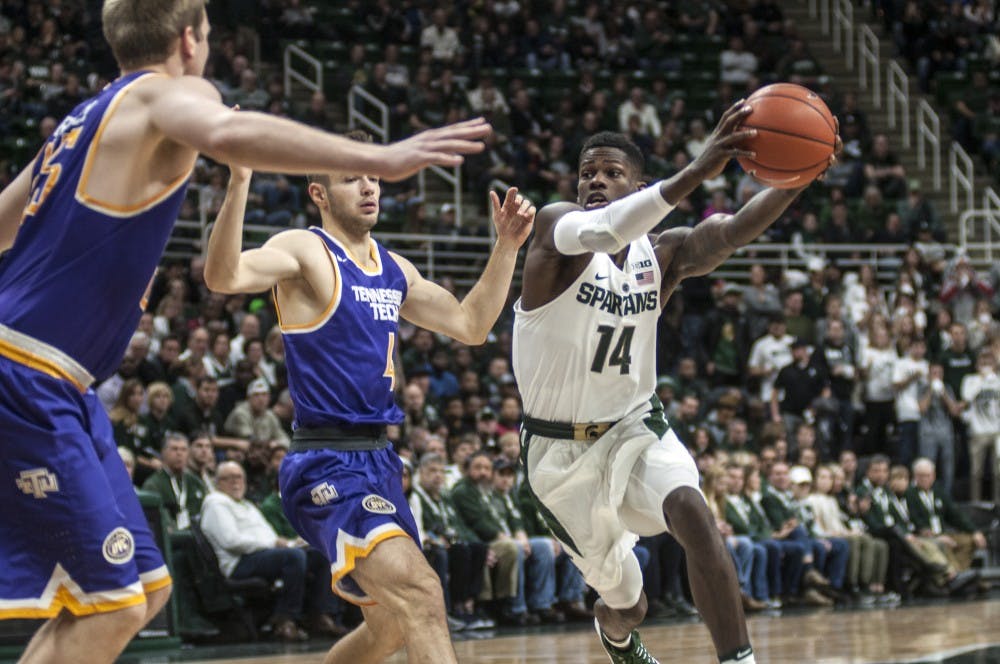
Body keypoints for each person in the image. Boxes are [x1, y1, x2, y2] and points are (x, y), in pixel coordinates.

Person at [0, 0, 491, 657]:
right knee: (111, 607)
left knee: (140, 595)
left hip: (64, 382)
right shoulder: (169, 92)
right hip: (31, 369)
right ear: (189, 39)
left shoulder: (79, 122)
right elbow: (227, 136)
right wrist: (385, 153)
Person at [513, 101, 839, 664]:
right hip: (558, 452)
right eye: (589, 172)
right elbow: (607, 226)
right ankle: (615, 629)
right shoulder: (555, 229)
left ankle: (740, 660)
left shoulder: (659, 254)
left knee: (693, 510)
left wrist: (797, 178)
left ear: (638, 184)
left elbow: (731, 232)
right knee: (628, 602)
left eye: (614, 173)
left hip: (633, 425)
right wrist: (698, 169)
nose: (597, 181)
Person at [202, 129, 534, 662]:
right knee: (423, 591)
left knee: (392, 628)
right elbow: (223, 276)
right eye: (351, 177)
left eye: (374, 175)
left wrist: (507, 248)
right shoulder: (305, 249)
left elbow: (471, 325)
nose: (368, 187)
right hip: (326, 460)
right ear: (319, 194)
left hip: (380, 461)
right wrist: (240, 179)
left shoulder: (395, 268)